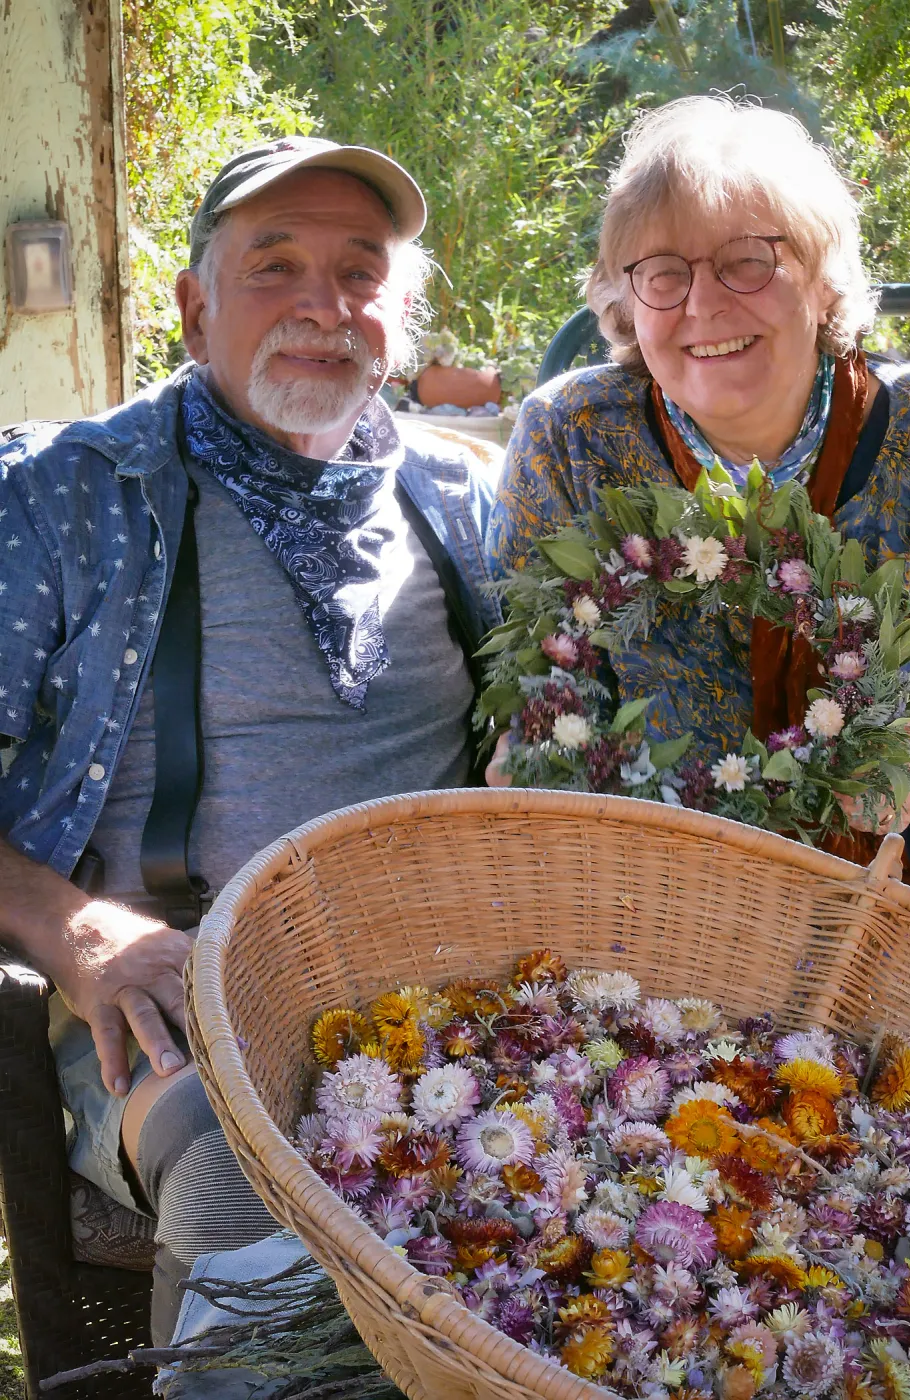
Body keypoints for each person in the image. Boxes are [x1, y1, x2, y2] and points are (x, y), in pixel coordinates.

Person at [0, 135, 499, 1353]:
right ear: (193, 308)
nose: (324, 305)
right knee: (244, 1184)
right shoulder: (62, 497)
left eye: (360, 271)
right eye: (275, 266)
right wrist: (75, 929)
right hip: (182, 1004)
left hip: (454, 998)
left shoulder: (468, 502)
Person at [486, 95, 910, 948]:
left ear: (822, 276)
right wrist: (542, 747)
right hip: (662, 918)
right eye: (663, 272)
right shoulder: (571, 439)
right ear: (625, 299)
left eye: (747, 262)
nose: (702, 304)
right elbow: (547, 680)